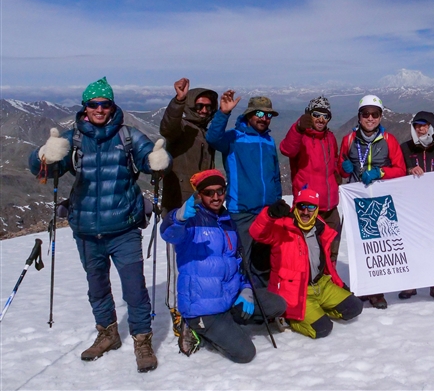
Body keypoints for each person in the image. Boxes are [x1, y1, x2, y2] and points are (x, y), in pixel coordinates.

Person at [29, 77, 170, 372]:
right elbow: (42, 167)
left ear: (112, 106)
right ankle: (107, 333)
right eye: (94, 104)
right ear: (85, 107)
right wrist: (43, 154)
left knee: (134, 289)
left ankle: (142, 340)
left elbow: (147, 158)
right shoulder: (73, 140)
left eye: (105, 104)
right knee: (97, 288)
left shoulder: (127, 136)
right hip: (85, 229)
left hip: (124, 227)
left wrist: (157, 159)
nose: (100, 109)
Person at [161, 170, 287, 363]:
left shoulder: (228, 222)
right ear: (200, 195)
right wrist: (178, 217)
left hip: (229, 298)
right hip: (203, 308)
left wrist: (246, 290)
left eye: (220, 191)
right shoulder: (191, 221)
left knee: (277, 304)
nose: (216, 197)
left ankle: (229, 321)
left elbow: (239, 262)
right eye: (209, 193)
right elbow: (169, 233)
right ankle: (195, 327)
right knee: (245, 353)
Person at [249, 189, 363, 339]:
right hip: (296, 290)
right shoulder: (282, 227)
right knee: (322, 329)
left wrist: (339, 284)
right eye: (302, 206)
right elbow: (257, 233)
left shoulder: (320, 228)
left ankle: (318, 310)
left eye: (311, 207)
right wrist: (269, 215)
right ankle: (289, 317)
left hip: (321, 286)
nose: (305, 212)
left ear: (316, 210)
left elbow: (326, 262)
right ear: (295, 206)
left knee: (354, 307)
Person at [158, 77, 219, 350]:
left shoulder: (206, 132)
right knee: (177, 263)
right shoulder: (181, 127)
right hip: (178, 207)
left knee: (199, 262)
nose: (205, 110)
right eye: (201, 106)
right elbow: (166, 127)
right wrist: (178, 101)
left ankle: (199, 307)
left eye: (209, 107)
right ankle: (177, 310)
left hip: (202, 208)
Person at [337, 94, 406, 309]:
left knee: (380, 245)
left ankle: (378, 291)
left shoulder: (389, 140)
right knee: (358, 245)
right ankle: (363, 287)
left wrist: (381, 172)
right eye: (366, 114)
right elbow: (340, 166)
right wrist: (343, 168)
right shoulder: (348, 140)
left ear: (380, 116)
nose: (370, 118)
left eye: (375, 114)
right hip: (357, 200)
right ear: (359, 116)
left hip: (381, 200)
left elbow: (401, 169)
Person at [206, 91, 282, 267]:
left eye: (268, 115)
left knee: (266, 262)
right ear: (249, 115)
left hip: (268, 213)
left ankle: (263, 294)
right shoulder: (234, 137)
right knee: (246, 262)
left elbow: (275, 175)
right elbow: (213, 138)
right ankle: (247, 294)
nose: (265, 118)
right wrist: (223, 113)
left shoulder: (269, 141)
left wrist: (277, 203)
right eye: (260, 113)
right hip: (243, 213)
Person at [280, 96, 341, 265]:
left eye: (326, 116)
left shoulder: (330, 138)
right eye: (316, 114)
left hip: (331, 207)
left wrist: (337, 174)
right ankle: (309, 288)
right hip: (309, 209)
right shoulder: (301, 137)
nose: (321, 119)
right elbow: (287, 149)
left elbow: (333, 161)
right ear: (309, 115)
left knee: (331, 251)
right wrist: (298, 128)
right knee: (309, 255)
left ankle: (331, 282)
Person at [398, 111, 434, 301]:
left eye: (425, 125)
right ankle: (410, 285)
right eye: (417, 125)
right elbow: (395, 170)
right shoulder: (404, 148)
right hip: (411, 207)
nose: (421, 129)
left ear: (432, 127)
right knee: (411, 246)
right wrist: (408, 170)